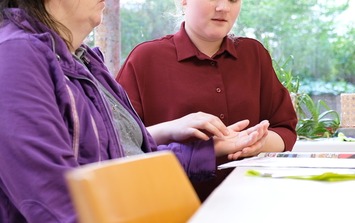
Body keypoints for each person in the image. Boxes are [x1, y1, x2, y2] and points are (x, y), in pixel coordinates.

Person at [0, 0, 270, 222]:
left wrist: (211, 150)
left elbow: (129, 160)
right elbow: (52, 200)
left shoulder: (86, 63)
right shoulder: (15, 56)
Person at [116, 0, 298, 201]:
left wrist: (256, 142)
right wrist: (172, 127)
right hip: (171, 206)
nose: (224, 8)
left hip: (252, 202)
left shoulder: (254, 54)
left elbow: (285, 129)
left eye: (233, 0)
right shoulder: (145, 58)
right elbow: (117, 143)